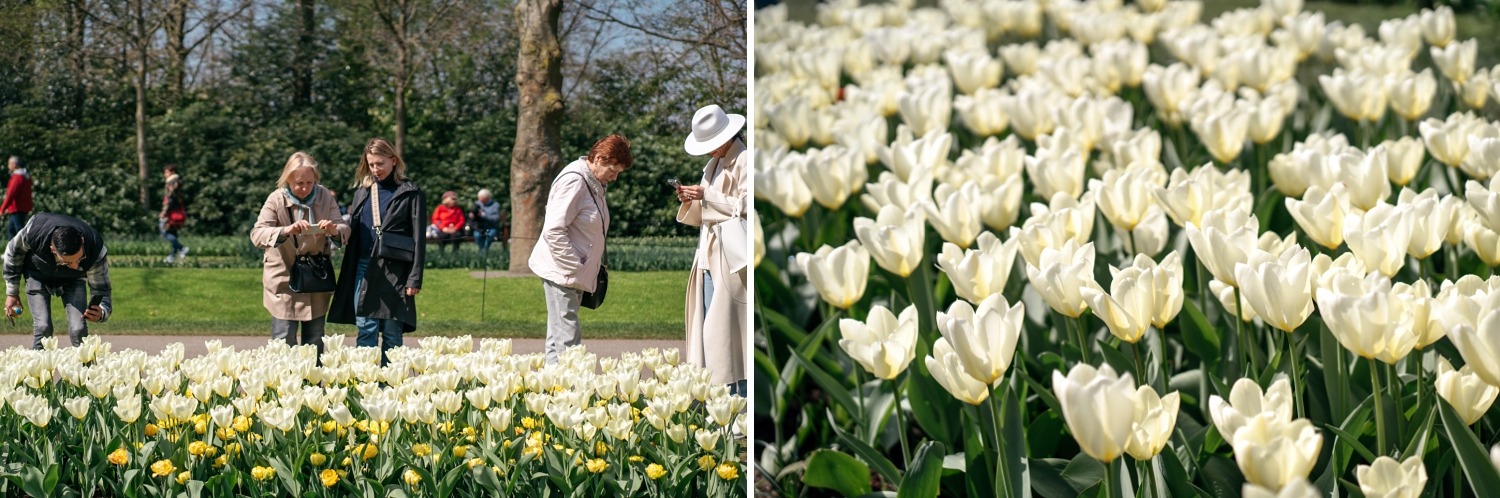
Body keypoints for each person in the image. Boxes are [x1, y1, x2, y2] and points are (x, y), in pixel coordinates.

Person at [529, 134, 632, 364]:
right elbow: (554, 230)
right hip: (562, 271)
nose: (614, 178)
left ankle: (554, 390)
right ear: (598, 159)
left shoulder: (594, 183)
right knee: (568, 338)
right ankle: (573, 392)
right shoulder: (575, 181)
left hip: (573, 272)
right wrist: (575, 266)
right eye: (613, 170)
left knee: (558, 336)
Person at [329, 138, 424, 365]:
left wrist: (415, 277)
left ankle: (391, 384)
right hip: (364, 264)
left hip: (396, 269)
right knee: (366, 327)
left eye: (380, 163)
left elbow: (419, 239)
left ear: (393, 160)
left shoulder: (410, 192)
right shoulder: (363, 192)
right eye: (371, 164)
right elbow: (355, 230)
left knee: (392, 330)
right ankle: (366, 381)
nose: (375, 169)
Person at [676, 104, 750, 396]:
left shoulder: (745, 160)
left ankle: (737, 404)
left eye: (710, 144)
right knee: (711, 333)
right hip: (708, 255)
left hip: (731, 258)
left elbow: (745, 207)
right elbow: (707, 212)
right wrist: (690, 199)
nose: (707, 151)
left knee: (728, 335)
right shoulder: (714, 164)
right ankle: (719, 401)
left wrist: (707, 195)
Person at [250, 152, 349, 358]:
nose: (304, 188)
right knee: (283, 339)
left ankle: (312, 387)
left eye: (309, 183)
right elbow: (257, 234)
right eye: (299, 183)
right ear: (288, 179)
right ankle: (283, 387)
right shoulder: (276, 199)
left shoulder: (324, 196)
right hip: (283, 278)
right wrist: (286, 231)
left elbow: (343, 228)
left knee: (314, 341)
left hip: (316, 279)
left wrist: (333, 230)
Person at [1, 213, 113, 350]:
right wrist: (12, 293)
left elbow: (101, 287)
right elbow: (13, 253)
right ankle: (38, 369)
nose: (75, 266)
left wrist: (102, 312)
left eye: (79, 259)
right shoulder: (34, 231)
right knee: (43, 327)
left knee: (78, 328)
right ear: (53, 249)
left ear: (82, 241)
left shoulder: (95, 247)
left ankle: (88, 370)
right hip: (37, 275)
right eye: (67, 262)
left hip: (74, 280)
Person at [159, 165, 189, 263]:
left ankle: (182, 248)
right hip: (178, 211)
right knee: (173, 233)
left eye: (166, 172)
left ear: (172, 172)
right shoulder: (178, 182)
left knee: (164, 232)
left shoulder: (171, 183)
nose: (165, 174)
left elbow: (170, 199)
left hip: (171, 213)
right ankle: (172, 256)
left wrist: (164, 212)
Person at [3, 156, 33, 239]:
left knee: (18, 230)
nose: (8, 165)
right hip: (23, 207)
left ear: (14, 164)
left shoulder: (17, 177)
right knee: (12, 229)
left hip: (17, 208)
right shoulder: (25, 176)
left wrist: (2, 208)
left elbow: (11, 194)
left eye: (9, 163)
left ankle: (21, 250)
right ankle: (14, 249)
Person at [471, 188, 503, 256]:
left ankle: (484, 252)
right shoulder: (477, 204)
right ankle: (482, 251)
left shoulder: (495, 205)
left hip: (491, 227)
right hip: (480, 228)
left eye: (481, 198)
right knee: (477, 235)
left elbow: (495, 218)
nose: (479, 200)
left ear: (487, 198)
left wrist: (484, 215)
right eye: (479, 198)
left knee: (490, 235)